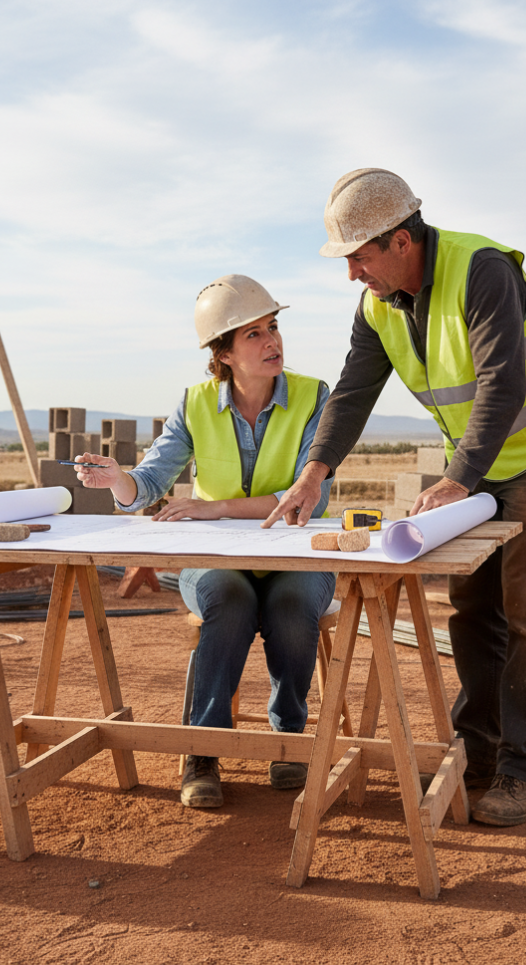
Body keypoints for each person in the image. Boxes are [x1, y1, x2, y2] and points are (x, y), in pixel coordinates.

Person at [263, 168, 526, 827]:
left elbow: (502, 383)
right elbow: (353, 392)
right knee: (472, 607)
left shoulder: (482, 271)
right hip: (475, 464)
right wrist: (314, 472)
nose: (352, 273)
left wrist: (457, 478)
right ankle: (478, 752)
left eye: (359, 256)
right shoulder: (377, 305)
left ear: (402, 240)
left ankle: (522, 768)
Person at [75, 274, 335, 809]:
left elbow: (309, 496)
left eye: (273, 327)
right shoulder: (194, 404)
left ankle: (289, 738)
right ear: (223, 354)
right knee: (229, 598)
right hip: (215, 561)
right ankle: (202, 750)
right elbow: (148, 483)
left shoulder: (315, 396)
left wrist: (214, 507)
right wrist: (117, 479)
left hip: (295, 557)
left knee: (292, 604)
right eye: (254, 334)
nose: (272, 341)